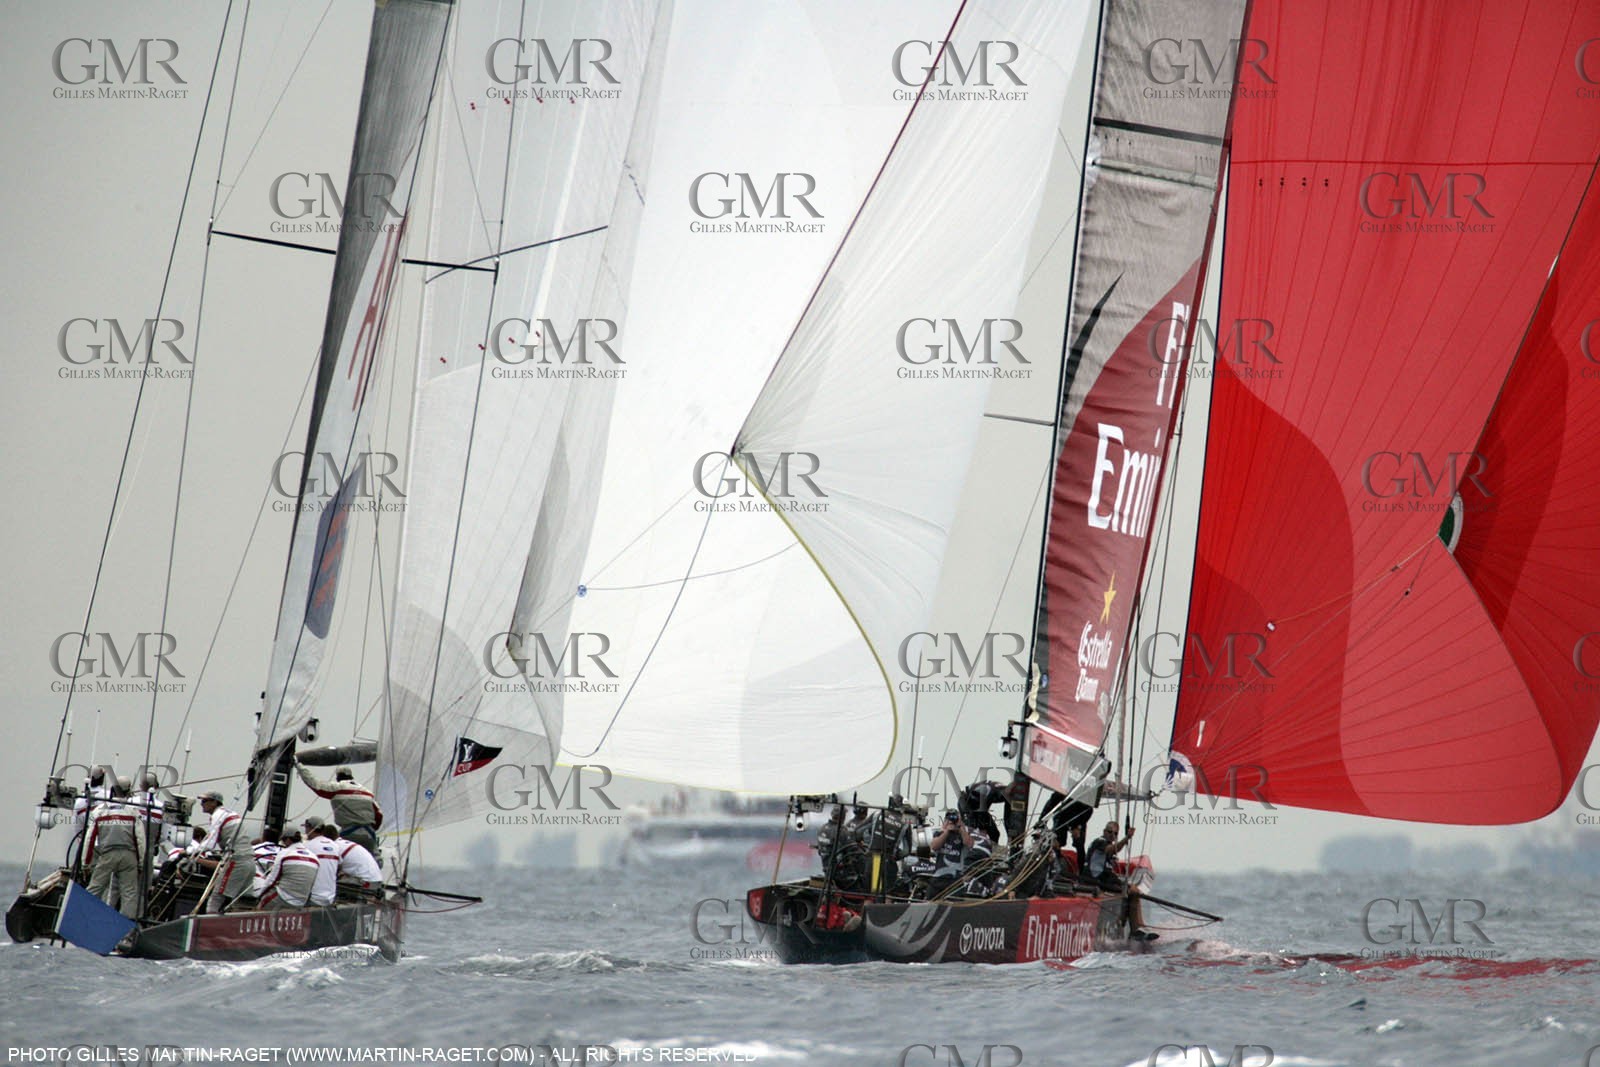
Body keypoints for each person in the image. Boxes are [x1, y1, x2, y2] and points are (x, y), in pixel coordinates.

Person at [1085, 819, 1155, 941]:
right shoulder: (1100, 842)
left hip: (1105, 879)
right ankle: (1135, 929)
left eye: (1115, 834)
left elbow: (1113, 851)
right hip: (1097, 880)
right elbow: (1111, 849)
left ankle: (1136, 926)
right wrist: (1127, 838)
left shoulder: (1107, 845)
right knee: (1134, 891)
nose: (1112, 835)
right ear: (1104, 831)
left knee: (1132, 890)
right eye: (1110, 832)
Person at [85, 776, 145, 917]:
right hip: (129, 856)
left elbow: (90, 839)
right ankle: (125, 932)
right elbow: (140, 840)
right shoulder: (133, 812)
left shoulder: (99, 811)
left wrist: (85, 863)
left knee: (95, 888)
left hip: (106, 855)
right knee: (129, 893)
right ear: (128, 792)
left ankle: (84, 918)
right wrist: (141, 863)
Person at [295, 762, 383, 857]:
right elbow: (379, 815)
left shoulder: (338, 788)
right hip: (369, 835)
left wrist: (299, 767)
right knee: (370, 860)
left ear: (338, 777)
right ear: (351, 776)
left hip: (348, 835)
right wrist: (373, 828)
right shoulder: (367, 792)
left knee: (340, 860)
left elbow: (316, 785)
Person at [196, 791, 253, 913]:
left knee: (216, 897)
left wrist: (191, 853)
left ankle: (209, 926)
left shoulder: (217, 815)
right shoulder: (231, 813)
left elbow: (210, 843)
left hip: (236, 860)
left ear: (214, 802)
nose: (201, 804)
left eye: (205, 801)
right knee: (237, 900)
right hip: (249, 861)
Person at [257, 830, 320, 910]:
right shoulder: (314, 858)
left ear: (288, 840)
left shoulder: (284, 853)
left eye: (283, 841)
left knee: (261, 905)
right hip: (301, 902)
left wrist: (259, 895)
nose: (283, 844)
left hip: (283, 898)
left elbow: (272, 880)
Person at [302, 819, 339, 906]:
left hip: (313, 898)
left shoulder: (307, 846)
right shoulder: (335, 846)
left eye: (306, 828)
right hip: (330, 898)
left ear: (310, 828)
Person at [250, 828, 281, 897]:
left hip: (256, 885)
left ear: (263, 837)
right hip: (276, 887)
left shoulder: (254, 849)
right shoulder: (283, 851)